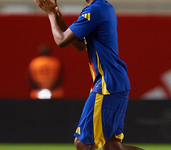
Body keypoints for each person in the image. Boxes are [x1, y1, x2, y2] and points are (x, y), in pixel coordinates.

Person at [34, 0, 144, 149]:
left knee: (82, 144)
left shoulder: (94, 10)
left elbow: (61, 40)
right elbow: (80, 45)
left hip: (108, 84)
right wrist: (59, 17)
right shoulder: (104, 7)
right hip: (116, 82)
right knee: (112, 147)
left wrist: (50, 15)